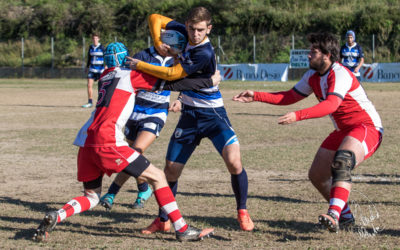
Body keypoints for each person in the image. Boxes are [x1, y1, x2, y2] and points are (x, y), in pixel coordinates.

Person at [33, 42, 220, 243]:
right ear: (126, 58)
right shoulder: (129, 75)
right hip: (107, 140)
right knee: (158, 177)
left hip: (86, 141)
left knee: (92, 197)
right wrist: (207, 82)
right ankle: (182, 229)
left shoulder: (104, 76)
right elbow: (170, 81)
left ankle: (57, 215)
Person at [233, 32, 383, 233]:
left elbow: (331, 105)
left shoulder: (339, 73)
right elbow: (290, 96)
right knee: (317, 175)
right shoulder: (312, 76)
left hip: (367, 127)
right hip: (342, 130)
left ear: (328, 55)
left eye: (314, 51)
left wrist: (298, 115)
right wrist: (257, 96)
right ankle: (346, 217)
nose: (309, 55)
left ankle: (334, 214)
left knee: (343, 161)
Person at [129, 6, 254, 233]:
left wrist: (140, 65)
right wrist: (158, 42)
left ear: (209, 29)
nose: (195, 34)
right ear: (186, 25)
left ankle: (242, 211)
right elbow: (155, 17)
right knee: (171, 170)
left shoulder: (204, 52)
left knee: (234, 162)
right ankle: (162, 220)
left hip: (213, 114)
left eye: (200, 30)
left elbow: (171, 75)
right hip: (189, 115)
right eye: (191, 29)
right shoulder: (184, 32)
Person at [99, 45, 175, 210]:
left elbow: (183, 79)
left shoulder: (177, 58)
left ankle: (111, 193)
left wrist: (182, 98)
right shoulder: (142, 55)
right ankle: (143, 189)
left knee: (135, 152)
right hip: (134, 112)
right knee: (134, 157)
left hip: (156, 113)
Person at [82, 33, 106, 108]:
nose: (95, 40)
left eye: (96, 38)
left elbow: (106, 57)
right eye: (93, 38)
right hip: (92, 69)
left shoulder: (102, 47)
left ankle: (101, 101)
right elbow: (89, 58)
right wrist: (87, 67)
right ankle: (90, 102)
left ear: (99, 39)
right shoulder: (91, 47)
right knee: (89, 85)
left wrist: (106, 65)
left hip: (100, 70)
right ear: (92, 39)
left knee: (101, 87)